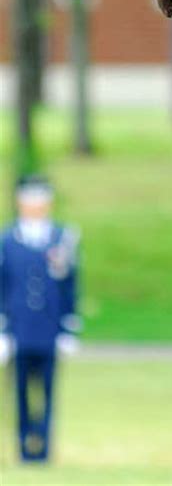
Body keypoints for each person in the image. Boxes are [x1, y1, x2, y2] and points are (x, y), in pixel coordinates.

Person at [0, 175, 81, 462]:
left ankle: (44, 447)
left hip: (48, 328)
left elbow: (70, 284)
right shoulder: (7, 239)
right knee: (20, 390)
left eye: (40, 198)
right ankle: (24, 446)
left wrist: (69, 326)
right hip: (18, 327)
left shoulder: (62, 237)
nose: (36, 205)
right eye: (30, 198)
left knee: (47, 390)